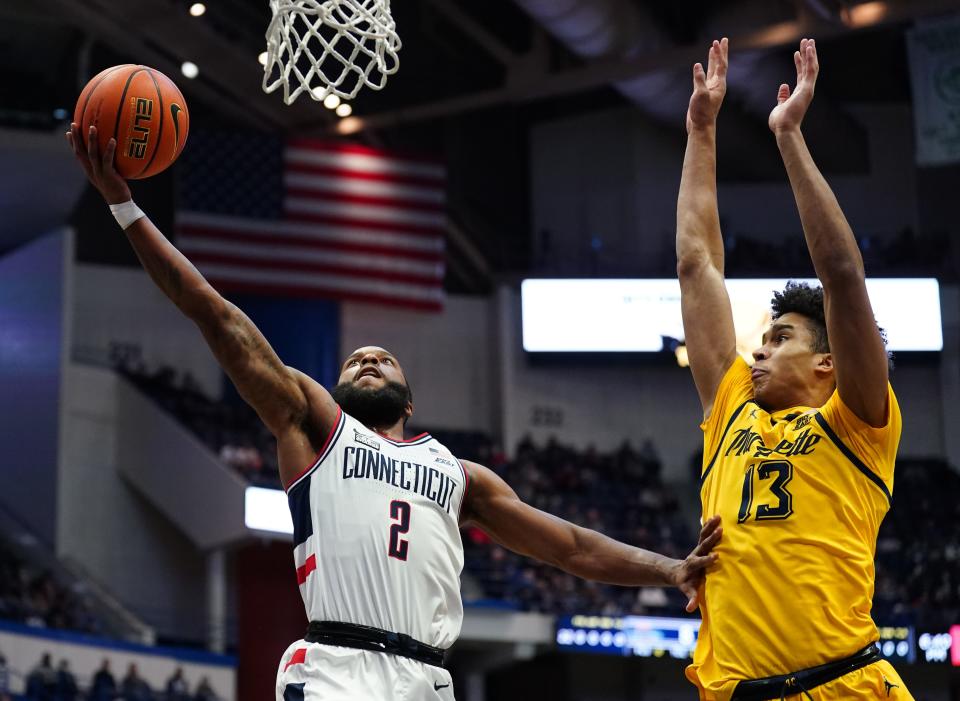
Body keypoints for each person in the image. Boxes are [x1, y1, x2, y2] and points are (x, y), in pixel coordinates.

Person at [67, 124, 723, 701]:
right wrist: (125, 208)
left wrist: (667, 567)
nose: (368, 361)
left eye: (382, 359)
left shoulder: (460, 474)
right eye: (355, 361)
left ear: (409, 400)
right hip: (336, 667)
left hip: (428, 678)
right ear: (338, 388)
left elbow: (572, 545)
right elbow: (216, 315)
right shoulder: (315, 426)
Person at [677, 37, 912, 699]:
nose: (758, 350)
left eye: (778, 338)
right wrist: (700, 129)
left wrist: (788, 137)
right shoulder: (730, 414)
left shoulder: (858, 424)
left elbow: (840, 275)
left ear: (827, 362)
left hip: (843, 686)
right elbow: (698, 266)